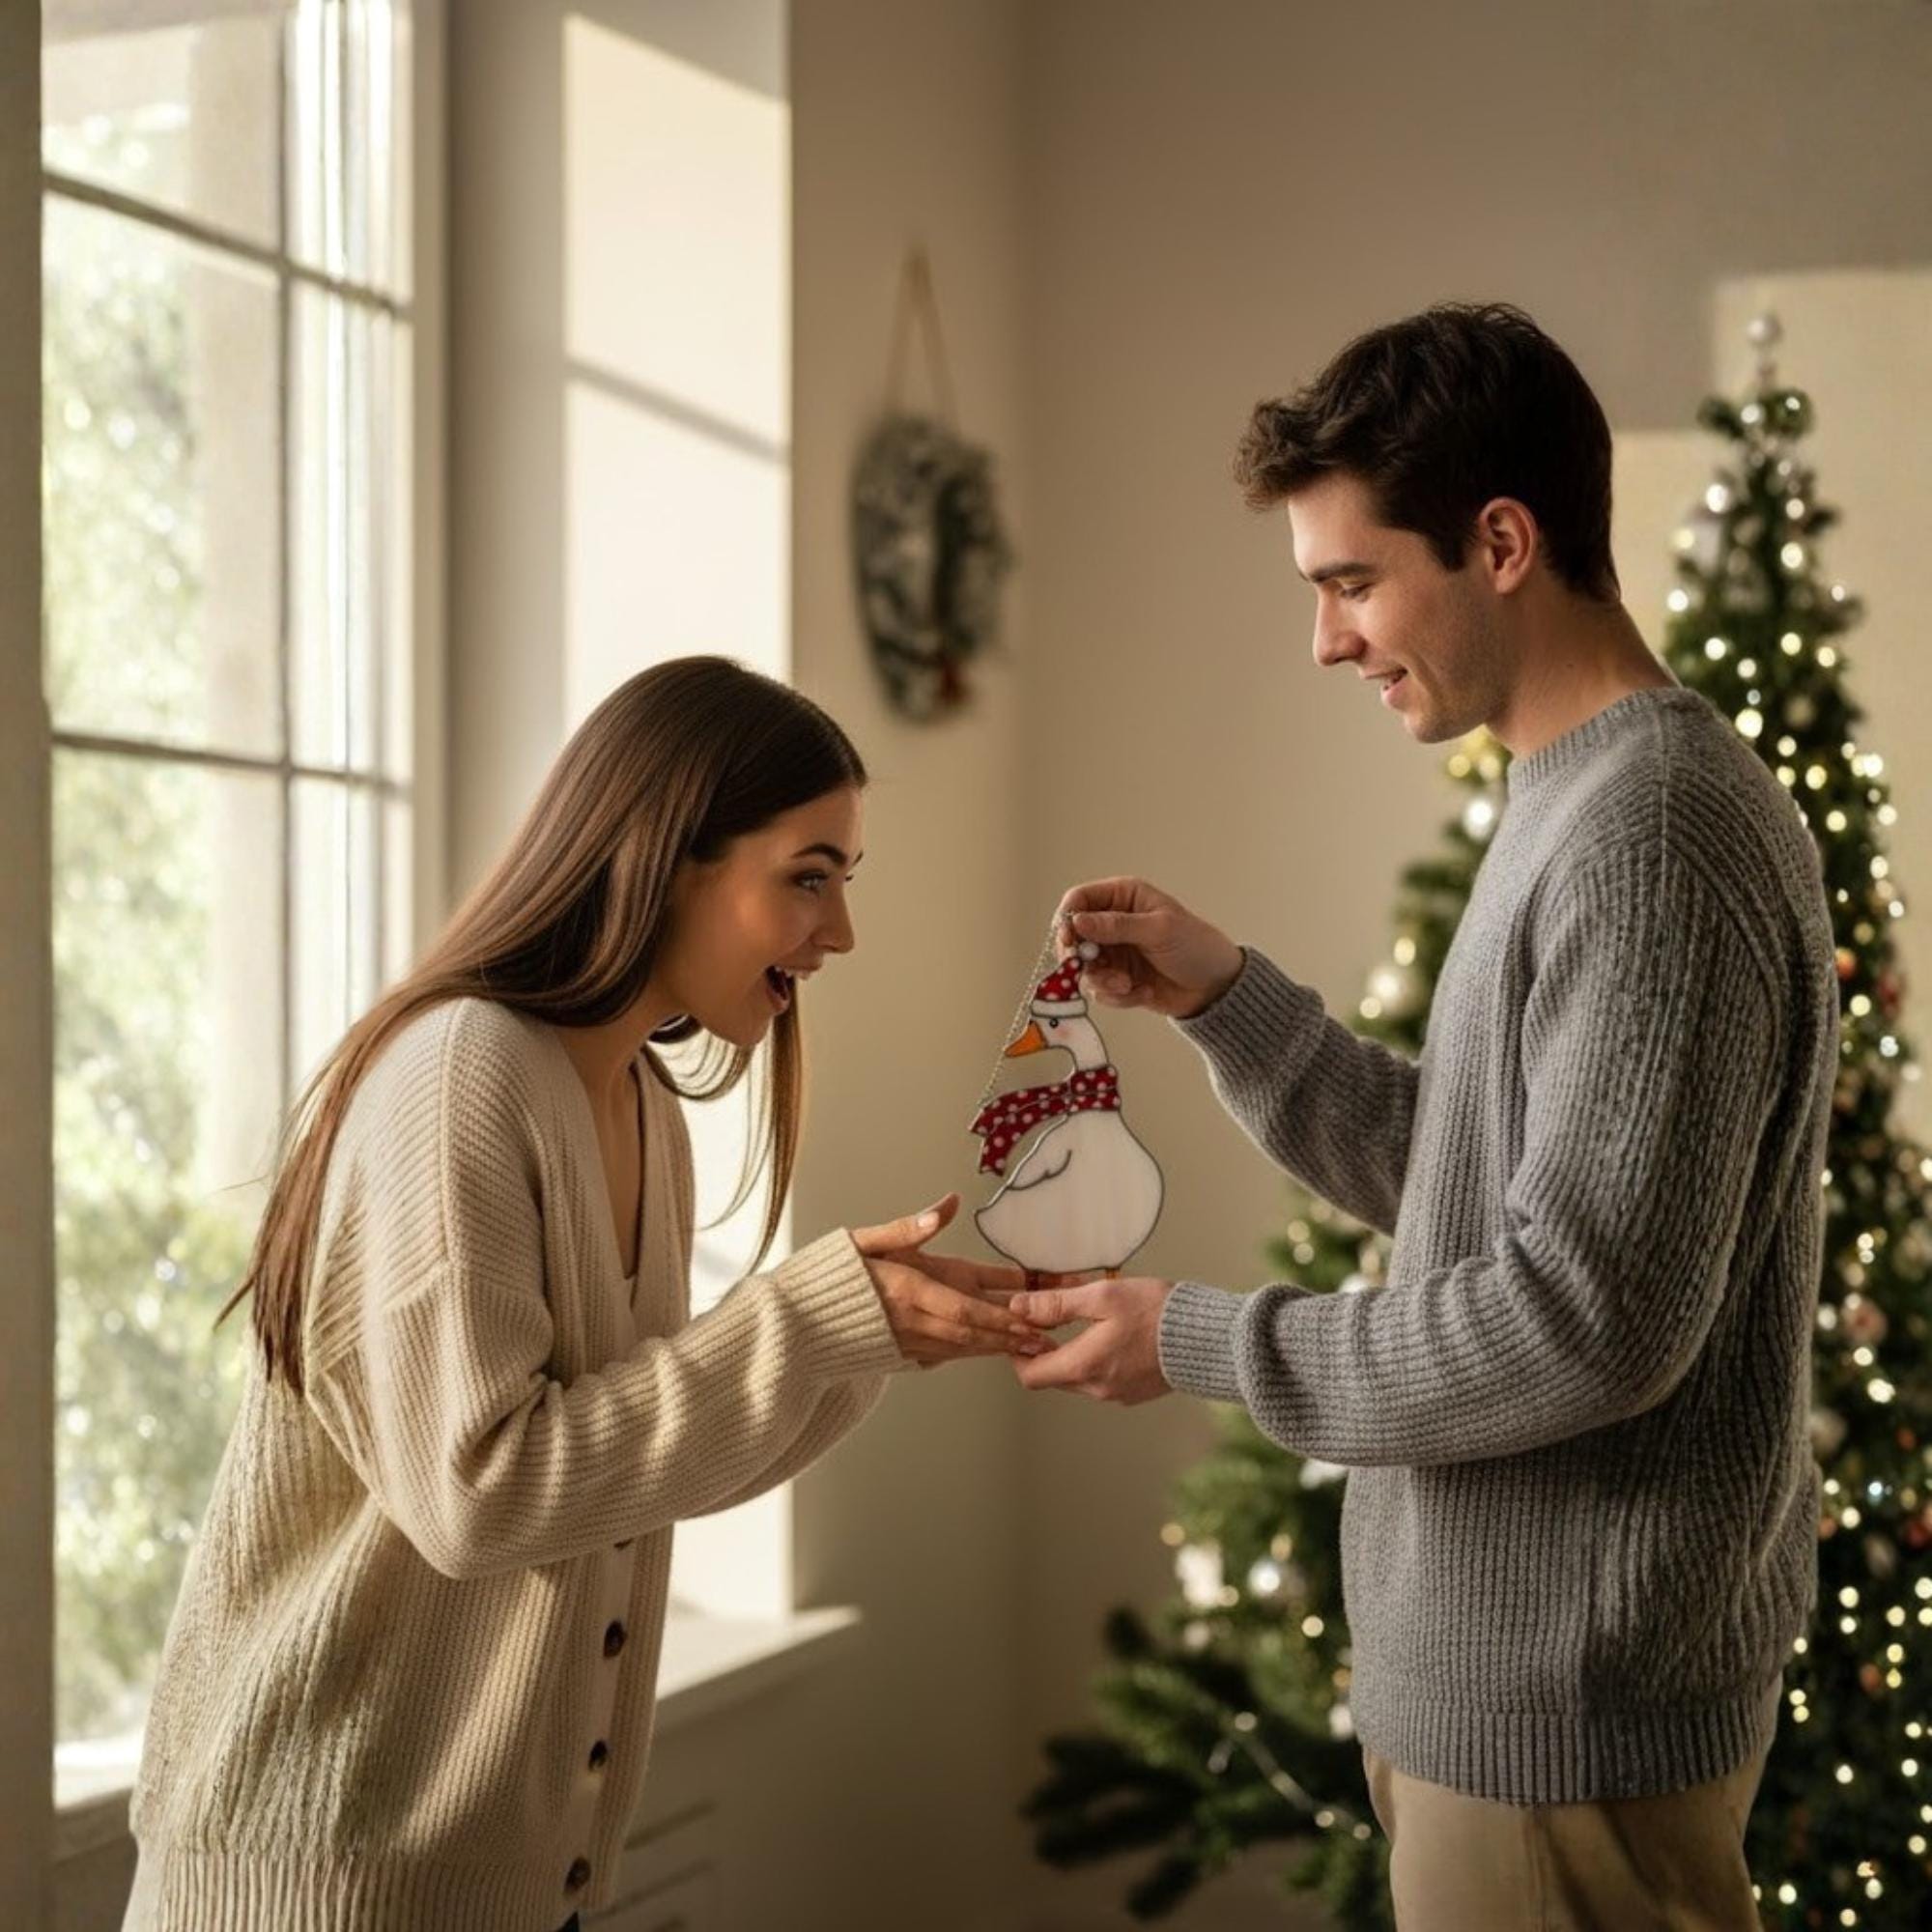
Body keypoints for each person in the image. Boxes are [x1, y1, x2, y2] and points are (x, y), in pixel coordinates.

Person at [1009, 304, 1836, 1930]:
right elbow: (1484, 1183)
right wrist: (1229, 999)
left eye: (1353, 581)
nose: (1328, 640)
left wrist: (1194, 1340)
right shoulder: (1572, 799)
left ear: (1504, 541)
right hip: (1511, 1723)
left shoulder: (1651, 830)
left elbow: (1583, 1322)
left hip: (1565, 1739)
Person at [122, 656, 1055, 1932]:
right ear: (669, 857)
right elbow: (481, 1491)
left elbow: (620, 1472)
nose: (837, 934)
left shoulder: (638, 1108)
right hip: (324, 1881)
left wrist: (860, 1340)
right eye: (809, 877)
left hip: (502, 1885)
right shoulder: (460, 1074)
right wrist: (808, 1322)